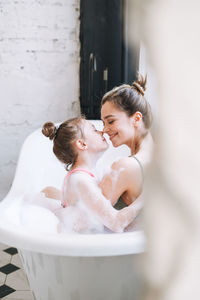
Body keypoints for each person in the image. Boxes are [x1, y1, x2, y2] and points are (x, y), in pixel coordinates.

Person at [42, 117, 141, 233]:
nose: (102, 131)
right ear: (82, 144)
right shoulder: (79, 180)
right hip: (85, 243)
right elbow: (116, 224)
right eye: (94, 130)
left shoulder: (90, 173)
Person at [100, 73, 154, 208]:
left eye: (111, 121)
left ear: (136, 119)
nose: (105, 130)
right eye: (103, 123)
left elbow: (85, 218)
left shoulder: (125, 167)